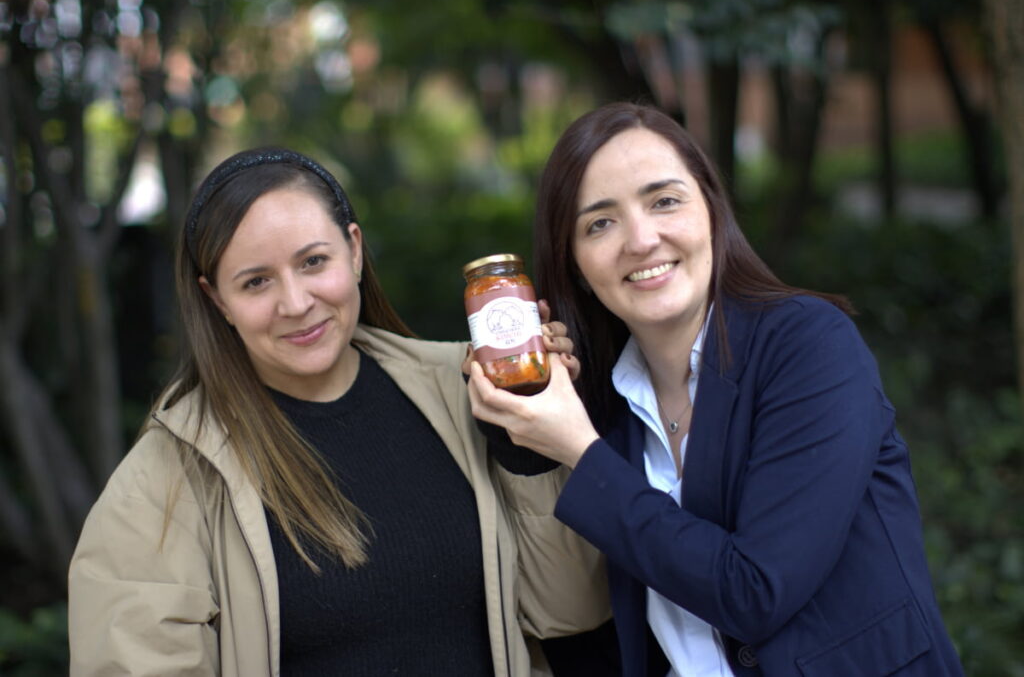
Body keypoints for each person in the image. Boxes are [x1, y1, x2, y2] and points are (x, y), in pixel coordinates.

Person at [67, 147, 611, 676]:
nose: (296, 302)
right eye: (256, 281)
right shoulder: (169, 475)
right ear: (217, 301)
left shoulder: (465, 390)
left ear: (353, 251)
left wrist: (528, 442)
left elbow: (571, 612)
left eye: (313, 262)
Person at [466, 102, 965, 676]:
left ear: (711, 209)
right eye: (600, 223)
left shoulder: (808, 345)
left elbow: (755, 592)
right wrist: (523, 413)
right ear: (575, 263)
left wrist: (581, 450)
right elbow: (582, 618)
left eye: (665, 201)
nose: (641, 239)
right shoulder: (603, 401)